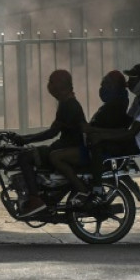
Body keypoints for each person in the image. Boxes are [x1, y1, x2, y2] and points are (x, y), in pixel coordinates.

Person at [81, 63, 140, 204]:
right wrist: (98, 130)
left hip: (138, 144)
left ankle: (97, 189)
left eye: (133, 79)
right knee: (98, 139)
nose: (129, 82)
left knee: (97, 145)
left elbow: (131, 133)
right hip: (133, 139)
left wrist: (100, 135)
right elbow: (126, 123)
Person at [12, 69, 86, 217]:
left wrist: (25, 139)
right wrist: (25, 138)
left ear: (61, 85)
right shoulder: (66, 103)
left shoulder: (69, 105)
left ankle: (35, 199)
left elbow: (52, 132)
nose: (49, 86)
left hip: (67, 148)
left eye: (52, 82)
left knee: (24, 157)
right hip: (63, 146)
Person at [49, 70, 130, 201]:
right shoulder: (113, 104)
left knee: (55, 156)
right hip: (94, 146)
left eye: (106, 84)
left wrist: (90, 129)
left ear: (114, 87)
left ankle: (83, 190)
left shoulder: (116, 106)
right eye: (102, 84)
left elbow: (110, 130)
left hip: (98, 150)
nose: (102, 88)